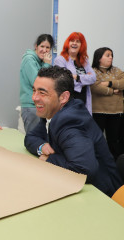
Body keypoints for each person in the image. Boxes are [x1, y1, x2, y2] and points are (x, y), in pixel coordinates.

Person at [24, 66, 122, 197]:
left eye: (42, 93)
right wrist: (42, 147)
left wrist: (49, 159)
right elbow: (31, 137)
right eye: (34, 90)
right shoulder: (52, 110)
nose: (34, 98)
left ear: (63, 97)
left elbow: (84, 169)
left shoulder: (69, 121)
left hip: (104, 196)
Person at [91, 47, 124, 159]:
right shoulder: (92, 71)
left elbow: (123, 82)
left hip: (116, 112)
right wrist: (113, 91)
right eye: (108, 55)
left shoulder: (116, 70)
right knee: (97, 139)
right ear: (99, 57)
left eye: (111, 55)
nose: (111, 58)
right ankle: (98, 163)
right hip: (98, 111)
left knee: (113, 141)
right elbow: (95, 87)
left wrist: (109, 83)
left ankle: (114, 166)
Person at [54, 32, 96, 114]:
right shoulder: (60, 60)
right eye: (72, 40)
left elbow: (93, 78)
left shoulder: (84, 61)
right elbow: (64, 81)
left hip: (83, 102)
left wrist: (77, 78)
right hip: (68, 102)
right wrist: (84, 81)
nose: (74, 43)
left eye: (78, 41)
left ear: (81, 45)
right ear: (68, 43)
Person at [20, 34, 54, 133]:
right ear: (36, 46)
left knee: (39, 138)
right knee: (33, 139)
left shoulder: (40, 61)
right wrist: (47, 64)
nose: (44, 50)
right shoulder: (29, 59)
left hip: (39, 104)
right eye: (42, 46)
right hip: (31, 106)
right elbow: (37, 83)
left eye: (47, 47)